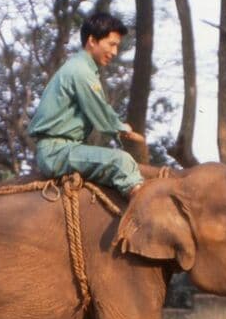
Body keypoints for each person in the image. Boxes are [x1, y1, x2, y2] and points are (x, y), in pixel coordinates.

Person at [28, 13, 145, 198]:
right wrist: (122, 128)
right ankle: (144, 218)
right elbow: (102, 115)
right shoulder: (81, 71)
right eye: (111, 44)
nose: (114, 52)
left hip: (63, 148)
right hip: (56, 152)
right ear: (92, 40)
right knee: (121, 162)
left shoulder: (81, 68)